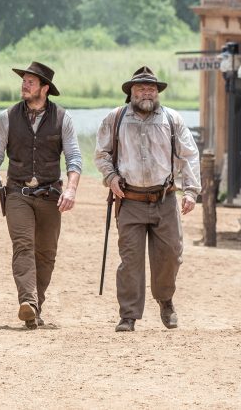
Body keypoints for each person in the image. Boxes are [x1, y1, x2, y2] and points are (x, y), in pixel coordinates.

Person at [94, 66, 200, 333]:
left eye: (151, 88)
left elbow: (189, 155)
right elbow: (101, 154)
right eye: (140, 88)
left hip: (165, 199)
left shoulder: (172, 119)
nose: (146, 93)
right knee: (130, 260)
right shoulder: (115, 119)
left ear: (157, 92)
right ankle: (128, 315)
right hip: (129, 200)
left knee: (171, 256)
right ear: (130, 92)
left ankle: (165, 300)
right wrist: (111, 177)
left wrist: (190, 190)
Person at [0, 61, 81, 329]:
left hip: (51, 195)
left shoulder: (63, 118)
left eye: (30, 82)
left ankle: (36, 306)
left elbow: (74, 158)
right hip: (17, 193)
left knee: (47, 253)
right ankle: (28, 302)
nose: (24, 85)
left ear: (45, 88)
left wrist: (71, 188)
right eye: (23, 81)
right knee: (23, 245)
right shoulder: (7, 117)